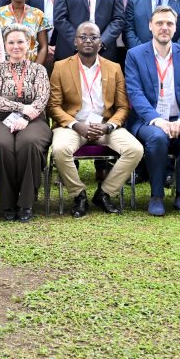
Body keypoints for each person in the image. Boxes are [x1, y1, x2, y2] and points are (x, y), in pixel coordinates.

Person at [48, 22, 143, 217]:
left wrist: (109, 126)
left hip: (105, 127)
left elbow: (123, 107)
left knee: (135, 149)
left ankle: (105, 193)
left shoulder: (114, 68)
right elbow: (53, 106)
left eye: (93, 37)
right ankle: (79, 195)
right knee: (59, 150)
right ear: (75, 42)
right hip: (72, 126)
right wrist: (76, 125)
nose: (88, 41)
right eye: (83, 37)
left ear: (101, 43)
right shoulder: (60, 67)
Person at [125, 7, 180, 217]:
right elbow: (135, 93)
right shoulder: (135, 55)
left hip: (179, 118)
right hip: (148, 121)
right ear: (150, 26)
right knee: (158, 138)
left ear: (175, 28)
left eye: (169, 23)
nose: (164, 28)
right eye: (159, 23)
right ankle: (156, 195)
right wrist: (157, 120)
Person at [0, 26, 51, 222]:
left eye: (20, 42)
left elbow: (42, 97)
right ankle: (7, 201)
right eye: (11, 42)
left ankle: (26, 202)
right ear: (5, 46)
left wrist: (26, 117)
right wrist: (21, 108)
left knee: (28, 144)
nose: (16, 46)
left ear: (29, 44)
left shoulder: (38, 70)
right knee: (2, 145)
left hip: (34, 118)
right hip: (1, 118)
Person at [0, 0, 51, 65]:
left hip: (32, 66)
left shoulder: (38, 15)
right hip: (5, 66)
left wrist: (35, 71)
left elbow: (44, 47)